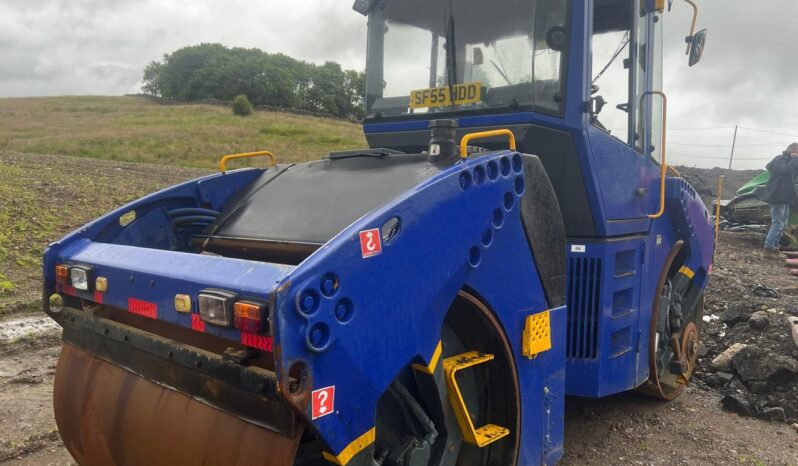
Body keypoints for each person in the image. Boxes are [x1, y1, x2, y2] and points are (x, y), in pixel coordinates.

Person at [763, 143, 798, 252]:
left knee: (782, 224)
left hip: (786, 198)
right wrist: (795, 159)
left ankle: (775, 245)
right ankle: (769, 246)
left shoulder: (791, 161)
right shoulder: (780, 160)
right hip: (777, 197)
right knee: (777, 223)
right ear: (792, 150)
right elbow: (785, 171)